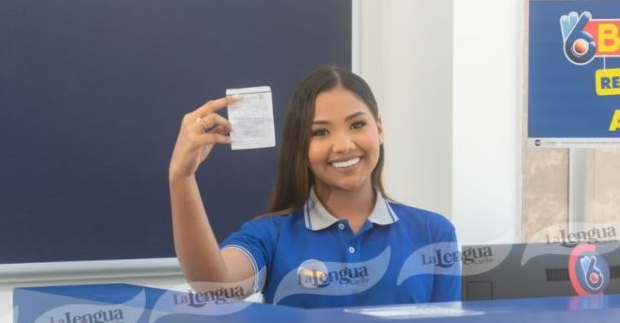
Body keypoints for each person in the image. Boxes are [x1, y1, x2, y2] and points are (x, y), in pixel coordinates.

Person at [169, 66, 460, 308]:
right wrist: (181, 177)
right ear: (301, 145)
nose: (343, 145)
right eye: (321, 132)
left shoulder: (433, 233)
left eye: (357, 125)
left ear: (379, 129)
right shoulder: (272, 236)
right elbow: (216, 287)